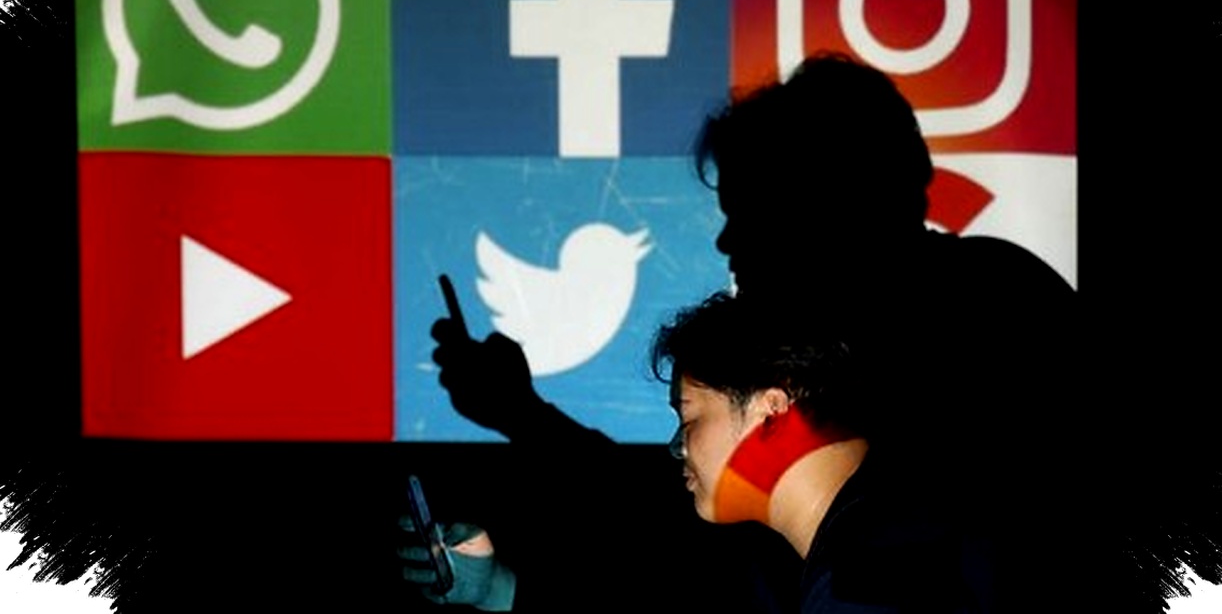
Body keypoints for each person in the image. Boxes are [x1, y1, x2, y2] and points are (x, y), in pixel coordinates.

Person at [411, 53, 1077, 610]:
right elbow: (690, 524)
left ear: (823, 203)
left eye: (747, 213)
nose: (727, 241)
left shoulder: (983, 318)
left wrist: (522, 418)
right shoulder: (950, 313)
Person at [654, 291, 996, 613]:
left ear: (771, 409)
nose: (678, 448)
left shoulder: (867, 581)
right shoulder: (910, 526)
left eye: (689, 419)